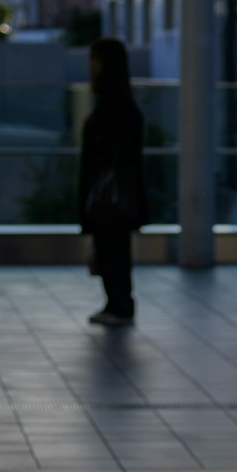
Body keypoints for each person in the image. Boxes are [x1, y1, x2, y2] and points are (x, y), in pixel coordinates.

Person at [78, 36, 146, 325]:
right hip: (120, 191)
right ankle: (118, 303)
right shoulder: (123, 104)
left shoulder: (111, 106)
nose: (91, 66)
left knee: (112, 248)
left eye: (95, 59)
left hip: (109, 192)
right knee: (115, 248)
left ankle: (118, 305)